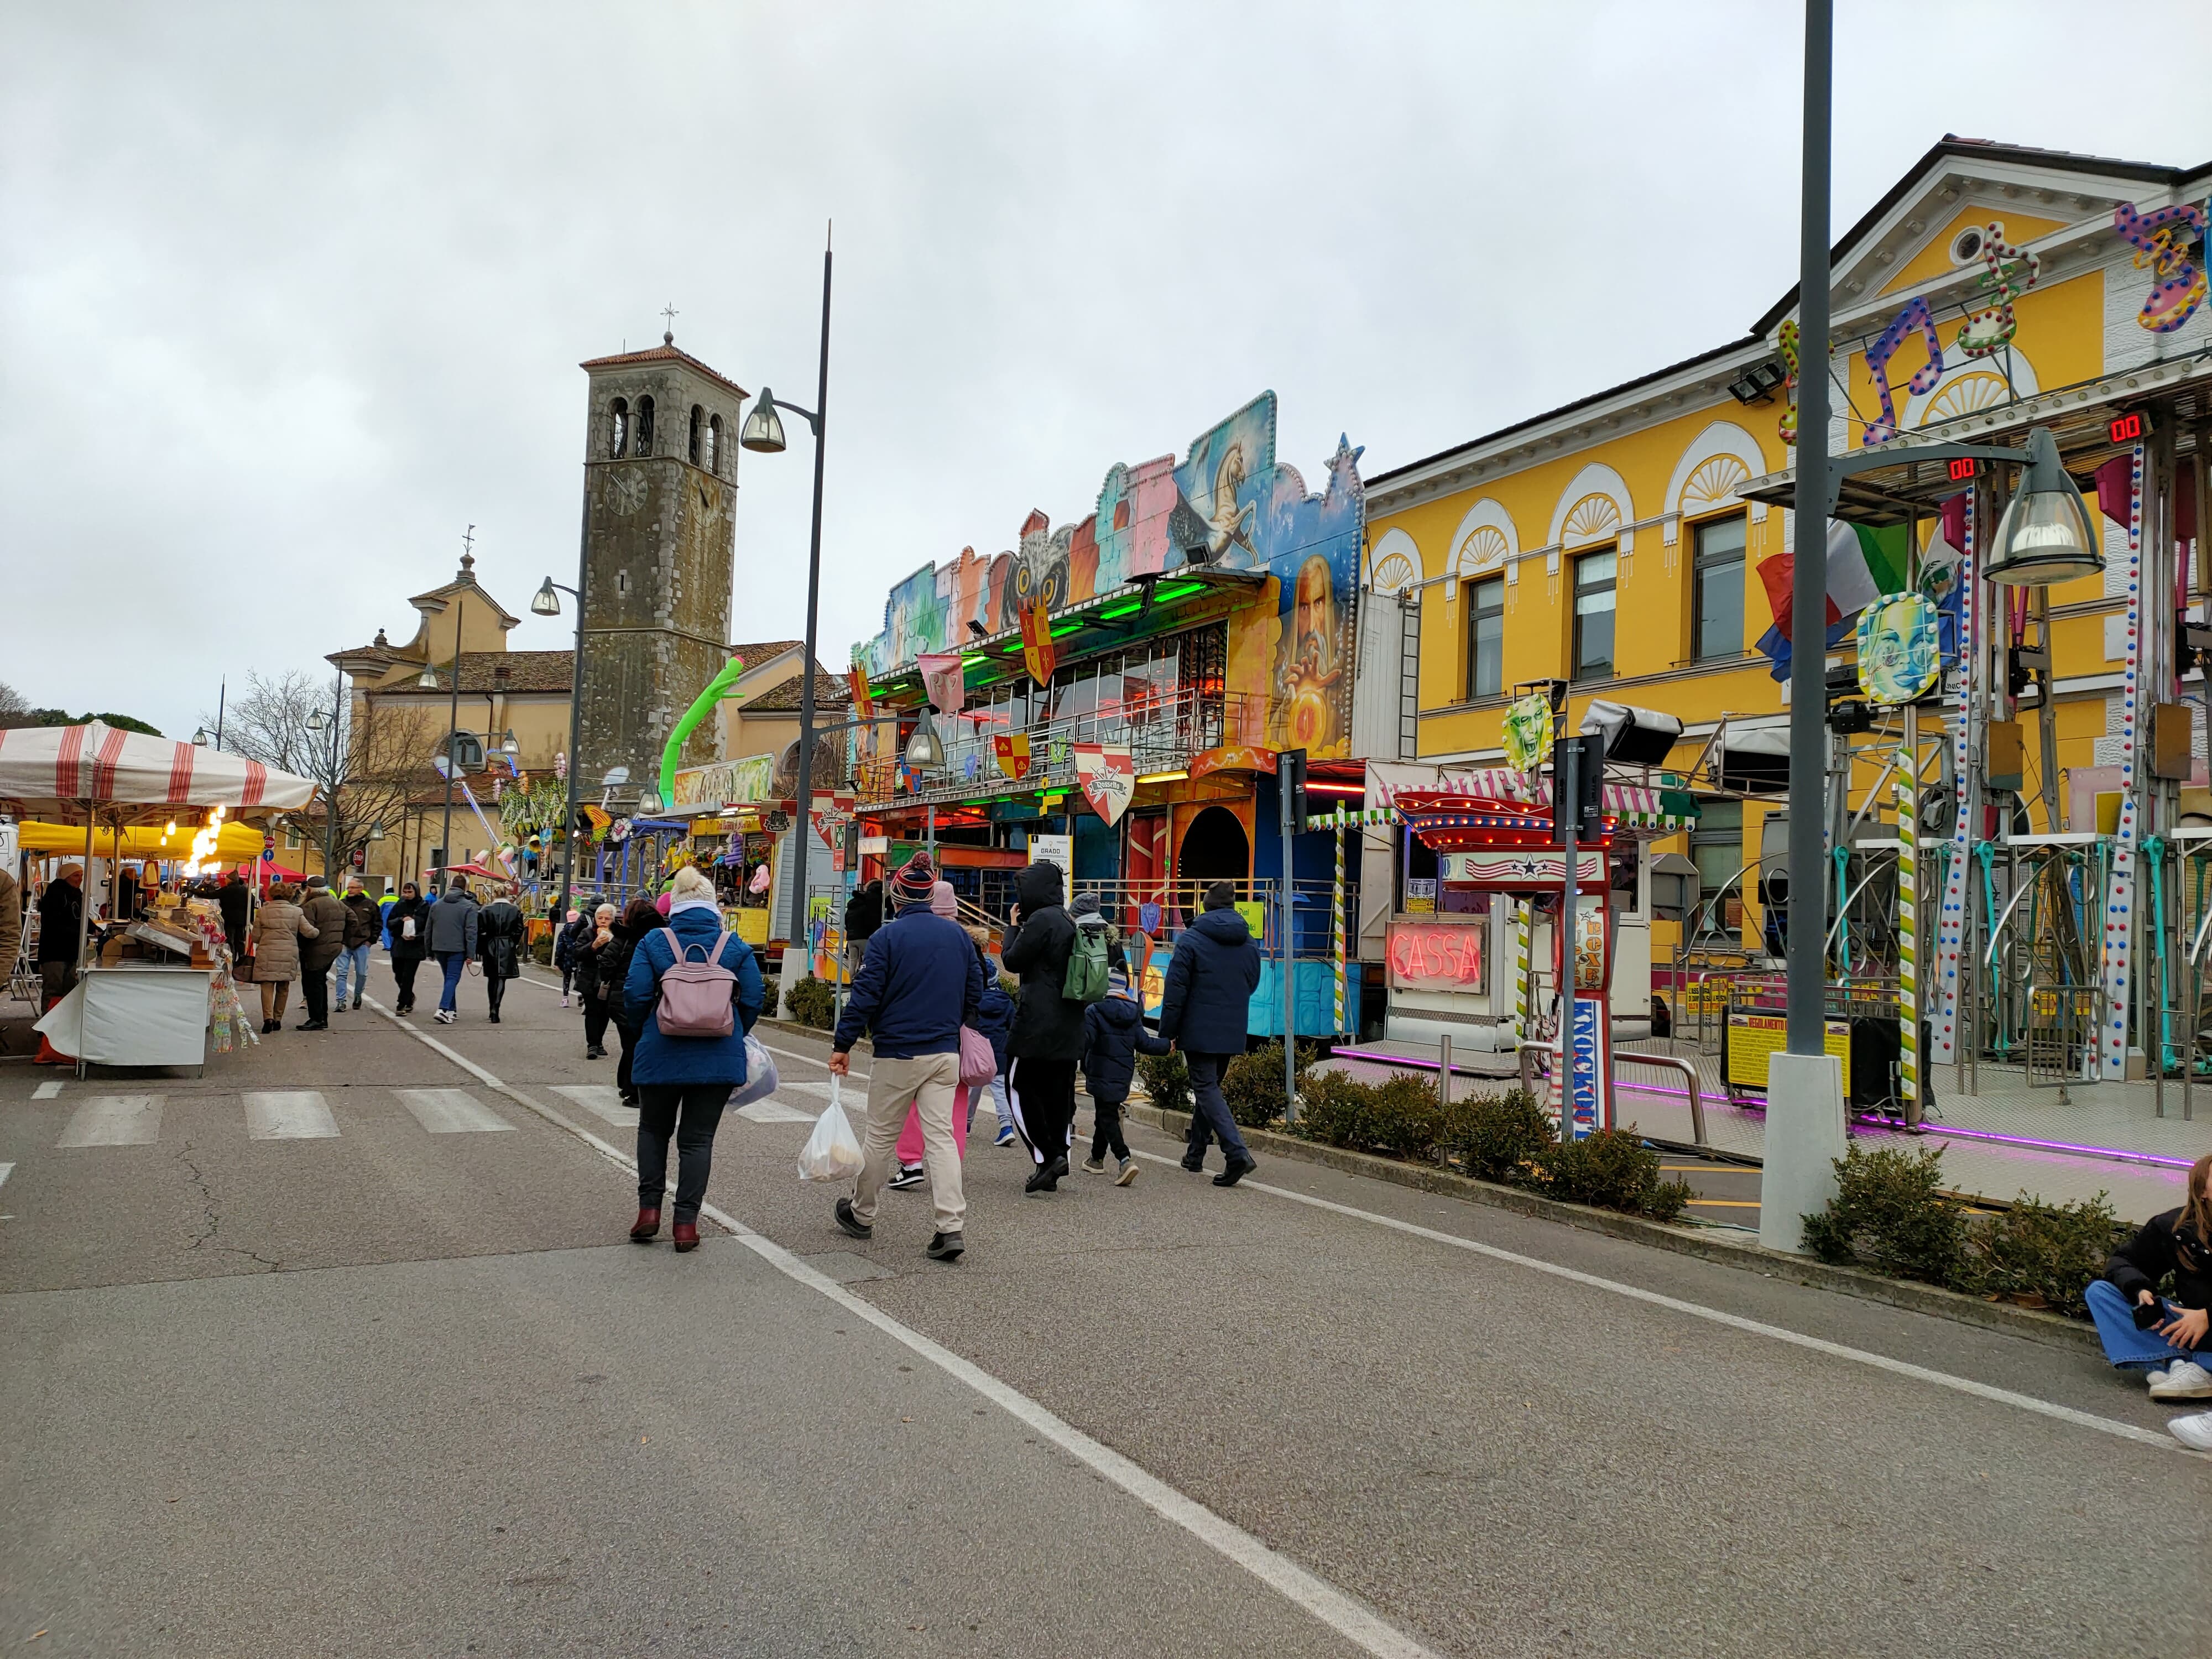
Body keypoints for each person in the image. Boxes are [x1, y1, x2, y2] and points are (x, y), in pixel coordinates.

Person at [830, 853, 983, 1261]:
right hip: (944, 1052)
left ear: (897, 899)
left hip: (897, 1052)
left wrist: (842, 1045)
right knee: (942, 1139)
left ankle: (862, 1214)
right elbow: (976, 990)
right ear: (930, 897)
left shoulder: (886, 940)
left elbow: (864, 997)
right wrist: (954, 1022)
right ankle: (951, 1226)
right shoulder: (958, 938)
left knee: (880, 1137)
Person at [622, 865, 764, 1253]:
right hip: (717, 1059)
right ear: (712, 909)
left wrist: (644, 1030)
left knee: (653, 1131)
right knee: (697, 1141)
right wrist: (733, 1030)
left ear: (676, 909)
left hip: (660, 1053)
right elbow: (753, 998)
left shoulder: (654, 941)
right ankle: (685, 1224)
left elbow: (634, 994)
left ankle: (648, 1212)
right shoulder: (733, 945)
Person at [1159, 879, 1262, 1187]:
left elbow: (1175, 991)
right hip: (1232, 1026)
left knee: (1205, 1087)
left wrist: (1168, 1032)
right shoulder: (1249, 942)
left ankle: (1236, 1153)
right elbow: (1252, 983)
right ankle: (1195, 1154)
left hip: (1198, 1027)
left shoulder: (1191, 940)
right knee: (1211, 1088)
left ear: (1205, 905)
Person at [2086, 1152, 2212, 1401]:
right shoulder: (2175, 1228)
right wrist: (2141, 1290)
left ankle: (2195, 1367)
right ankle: (2176, 1364)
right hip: (2191, 1328)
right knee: (2100, 1293)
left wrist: (2208, 1316)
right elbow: (2124, 1261)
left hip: (2203, 1323)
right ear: (2202, 1193)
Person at [999, 860, 1087, 1193]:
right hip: (1070, 1021)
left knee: (1017, 1085)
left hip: (1037, 1023)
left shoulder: (1040, 920)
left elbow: (1012, 960)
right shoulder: (1066, 918)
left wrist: (1012, 927)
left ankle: (1047, 1156)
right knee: (1056, 1093)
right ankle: (1055, 1159)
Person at [887, 883, 975, 1190]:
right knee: (956, 1102)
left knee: (912, 1099)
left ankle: (911, 1161)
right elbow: (978, 987)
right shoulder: (966, 939)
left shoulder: (914, 935)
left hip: (919, 1033)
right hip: (960, 1034)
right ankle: (951, 1167)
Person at [1081, 965, 1169, 1185]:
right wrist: (1168, 1046)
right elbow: (1145, 1043)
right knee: (1106, 1113)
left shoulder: (1094, 1010)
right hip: (1123, 1074)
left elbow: (1085, 1041)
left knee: (1106, 1115)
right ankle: (1096, 1159)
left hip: (1100, 1071)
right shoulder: (1133, 1013)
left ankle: (1124, 1159)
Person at [602, 897, 660, 1105]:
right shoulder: (658, 940)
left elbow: (606, 967)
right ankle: (634, 1090)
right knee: (641, 1045)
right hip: (651, 999)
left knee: (630, 1044)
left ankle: (627, 1086)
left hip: (620, 999)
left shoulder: (621, 939)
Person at [969, 925, 1018, 1145]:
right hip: (999, 1051)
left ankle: (965, 1124)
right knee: (1000, 1090)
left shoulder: (974, 1001)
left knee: (972, 1089)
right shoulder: (1006, 1001)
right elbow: (1013, 1024)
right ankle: (1006, 1126)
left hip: (976, 1052)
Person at [248, 882, 316, 1034]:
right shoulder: (296, 912)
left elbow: (256, 937)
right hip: (288, 953)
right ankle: (278, 1019)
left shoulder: (263, 912)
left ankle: (268, 1018)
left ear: (271, 894)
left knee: (267, 986)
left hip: (267, 952)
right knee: (283, 987)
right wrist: (320, 932)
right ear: (290, 895)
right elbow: (309, 932)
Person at [295, 874, 347, 1031]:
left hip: (315, 949)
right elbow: (353, 920)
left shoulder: (310, 906)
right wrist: (341, 938)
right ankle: (322, 1018)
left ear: (309, 889)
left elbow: (307, 931)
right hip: (333, 948)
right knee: (320, 982)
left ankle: (317, 1018)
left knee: (313, 984)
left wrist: (301, 948)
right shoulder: (338, 903)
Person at [427, 877, 481, 1025]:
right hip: (457, 948)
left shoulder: (437, 905)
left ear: (451, 886)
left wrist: (429, 949)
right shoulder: (469, 906)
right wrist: (471, 954)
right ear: (465, 888)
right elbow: (471, 932)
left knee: (448, 978)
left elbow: (429, 929)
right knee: (452, 978)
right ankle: (443, 1009)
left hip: (439, 947)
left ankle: (452, 1009)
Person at [36, 864, 85, 1008]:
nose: (80, 879)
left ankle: (62, 1026)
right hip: (54, 951)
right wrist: (78, 932)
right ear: (66, 877)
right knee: (53, 990)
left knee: (68, 990)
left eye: (82, 875)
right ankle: (47, 1026)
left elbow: (81, 917)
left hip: (71, 950)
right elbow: (55, 922)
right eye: (76, 875)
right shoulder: (55, 894)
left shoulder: (76, 894)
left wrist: (94, 929)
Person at [477, 883, 526, 1024]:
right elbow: (519, 929)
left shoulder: (485, 910)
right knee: (501, 978)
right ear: (507, 894)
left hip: (490, 943)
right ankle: (496, 1008)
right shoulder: (514, 910)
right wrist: (513, 942)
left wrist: (482, 947)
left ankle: (491, 1007)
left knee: (491, 977)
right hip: (506, 944)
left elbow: (480, 930)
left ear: (494, 894)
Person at [575, 903, 618, 1057]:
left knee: (605, 1012)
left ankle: (599, 1042)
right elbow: (577, 953)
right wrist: (593, 946)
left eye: (607, 918)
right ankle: (592, 1045)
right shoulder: (587, 933)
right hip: (590, 977)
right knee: (592, 1011)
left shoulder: (617, 935)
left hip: (608, 979)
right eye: (600, 918)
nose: (603, 921)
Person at [332, 877, 380, 1011]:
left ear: (361, 889)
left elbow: (377, 924)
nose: (350, 890)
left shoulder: (370, 905)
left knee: (362, 973)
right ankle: (341, 1001)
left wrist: (371, 941)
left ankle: (358, 995)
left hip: (362, 943)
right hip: (344, 943)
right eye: (348, 888)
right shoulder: (341, 904)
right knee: (341, 973)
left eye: (353, 888)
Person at [385, 881, 430, 1014]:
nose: (407, 895)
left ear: (416, 892)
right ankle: (409, 996)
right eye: (405, 892)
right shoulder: (399, 905)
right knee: (398, 974)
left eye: (410, 892)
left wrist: (416, 937)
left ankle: (402, 1003)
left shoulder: (424, 907)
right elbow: (389, 923)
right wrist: (401, 920)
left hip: (415, 947)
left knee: (408, 976)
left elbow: (428, 928)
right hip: (400, 944)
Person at [554, 907, 592, 1006]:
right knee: (578, 977)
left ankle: (565, 999)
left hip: (567, 958)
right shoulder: (582, 931)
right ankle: (580, 994)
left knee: (566, 978)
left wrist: (557, 962)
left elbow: (560, 948)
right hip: (578, 957)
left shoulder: (563, 932)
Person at [216, 872, 251, 963]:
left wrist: (195, 891)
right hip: (242, 919)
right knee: (240, 940)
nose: (225, 880)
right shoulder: (245, 890)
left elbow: (212, 895)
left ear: (229, 879)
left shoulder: (227, 889)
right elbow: (252, 902)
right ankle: (241, 959)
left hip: (229, 918)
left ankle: (231, 959)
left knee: (230, 939)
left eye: (226, 879)